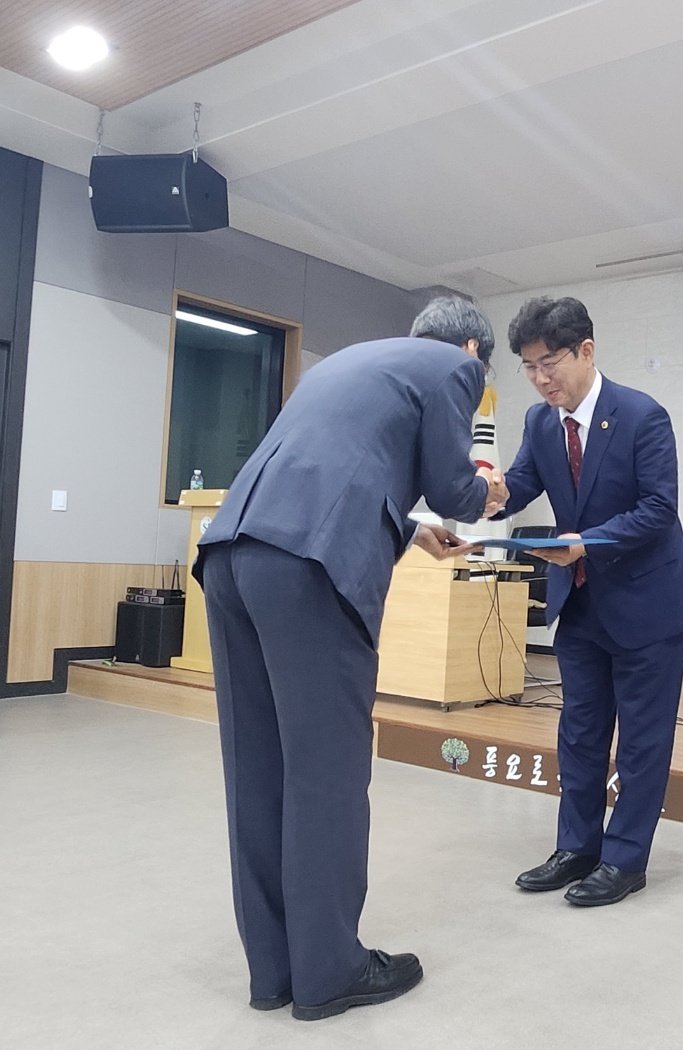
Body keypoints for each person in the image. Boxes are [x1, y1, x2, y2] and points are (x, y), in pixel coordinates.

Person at [194, 295, 508, 1020]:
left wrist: (411, 529)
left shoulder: (351, 362)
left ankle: (275, 970)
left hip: (233, 555)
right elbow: (452, 486)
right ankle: (330, 969)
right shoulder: (453, 369)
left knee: (257, 769)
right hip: (308, 568)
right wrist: (486, 490)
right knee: (325, 773)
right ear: (472, 350)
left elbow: (336, 467)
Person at [497, 296, 683, 907]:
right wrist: (482, 494)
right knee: (580, 734)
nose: (540, 378)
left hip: (648, 603)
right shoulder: (541, 423)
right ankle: (577, 848)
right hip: (582, 603)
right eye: (528, 367)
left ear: (586, 351)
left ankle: (625, 859)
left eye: (549, 363)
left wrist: (586, 543)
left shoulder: (641, 415)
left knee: (642, 740)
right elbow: (520, 484)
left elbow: (658, 509)